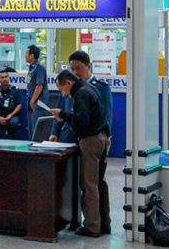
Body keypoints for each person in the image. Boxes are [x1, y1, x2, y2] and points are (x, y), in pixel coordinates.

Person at [50, 70, 111, 238]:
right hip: (102, 137)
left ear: (69, 83)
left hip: (91, 141)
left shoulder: (81, 94)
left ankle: (92, 226)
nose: (63, 94)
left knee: (89, 184)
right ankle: (104, 223)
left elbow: (82, 122)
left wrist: (63, 115)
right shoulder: (90, 88)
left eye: (62, 89)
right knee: (99, 182)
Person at [0, 69, 22, 139]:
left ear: (9, 78)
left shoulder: (15, 90)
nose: (4, 79)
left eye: (6, 77)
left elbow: (19, 105)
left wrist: (11, 115)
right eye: (2, 77)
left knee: (13, 123)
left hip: (12, 115)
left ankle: (10, 141)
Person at [25, 45, 50, 137]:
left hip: (38, 103)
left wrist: (32, 101)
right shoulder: (31, 68)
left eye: (27, 53)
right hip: (31, 102)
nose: (25, 55)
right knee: (30, 129)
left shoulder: (39, 67)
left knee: (37, 130)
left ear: (32, 55)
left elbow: (39, 86)